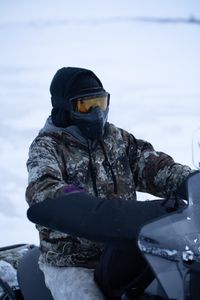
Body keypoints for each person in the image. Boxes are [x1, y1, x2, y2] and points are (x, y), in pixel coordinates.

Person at [26, 67, 195, 300]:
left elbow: (156, 168)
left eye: (100, 102)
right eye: (85, 106)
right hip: (73, 262)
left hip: (125, 250)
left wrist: (191, 182)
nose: (96, 112)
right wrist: (113, 212)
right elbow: (46, 192)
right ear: (64, 109)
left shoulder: (117, 139)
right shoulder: (47, 148)